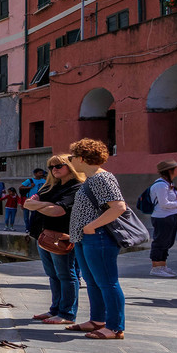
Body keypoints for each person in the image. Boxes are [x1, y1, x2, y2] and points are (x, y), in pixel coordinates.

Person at [69, 138, 128, 340]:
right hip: (85, 238)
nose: (70, 160)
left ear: (82, 158)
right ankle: (97, 320)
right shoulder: (91, 179)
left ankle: (115, 327)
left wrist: (91, 226)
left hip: (99, 238)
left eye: (72, 157)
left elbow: (118, 207)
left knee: (107, 282)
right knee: (93, 281)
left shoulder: (102, 178)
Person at [25, 155, 81, 325]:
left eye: (59, 166)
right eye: (51, 167)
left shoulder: (76, 187)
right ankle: (55, 309)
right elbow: (27, 203)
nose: (54, 169)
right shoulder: (49, 187)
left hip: (62, 236)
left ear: (70, 167)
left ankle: (67, 313)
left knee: (66, 274)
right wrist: (47, 206)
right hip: (43, 235)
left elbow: (59, 211)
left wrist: (40, 205)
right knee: (53, 275)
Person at [147, 159, 177, 276]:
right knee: (160, 241)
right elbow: (164, 204)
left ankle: (163, 266)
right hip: (162, 217)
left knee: (168, 242)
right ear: (170, 171)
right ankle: (156, 267)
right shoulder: (161, 185)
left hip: (171, 215)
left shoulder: (168, 184)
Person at [18, 166, 48, 231]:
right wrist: (30, 187)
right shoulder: (30, 180)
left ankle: (32, 228)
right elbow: (21, 187)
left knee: (34, 215)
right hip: (28, 199)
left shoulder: (44, 181)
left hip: (37, 200)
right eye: (39, 173)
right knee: (26, 215)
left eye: (41, 173)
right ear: (35, 174)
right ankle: (27, 228)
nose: (41, 174)